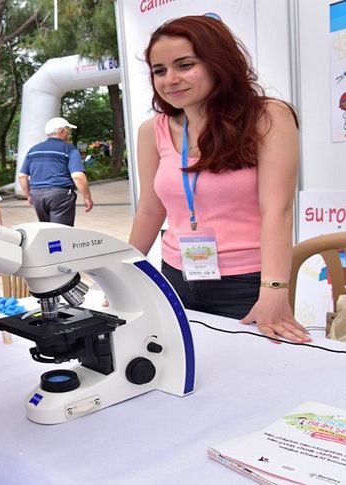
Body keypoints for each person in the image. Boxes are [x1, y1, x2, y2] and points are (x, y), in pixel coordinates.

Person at [128, 15, 310, 343]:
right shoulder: (151, 132)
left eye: (184, 65)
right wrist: (122, 274)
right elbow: (150, 211)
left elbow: (277, 210)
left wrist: (274, 290)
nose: (170, 80)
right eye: (159, 70)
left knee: (250, 377)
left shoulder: (268, 117)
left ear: (218, 62)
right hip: (173, 279)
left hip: (246, 283)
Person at [18, 117, 93, 226]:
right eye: (68, 130)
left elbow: (22, 176)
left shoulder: (33, 150)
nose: (69, 134)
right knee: (60, 232)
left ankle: (51, 243)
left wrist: (29, 195)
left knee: (48, 229)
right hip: (60, 195)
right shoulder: (69, 149)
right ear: (62, 131)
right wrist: (87, 197)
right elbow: (77, 176)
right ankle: (57, 244)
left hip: (37, 195)